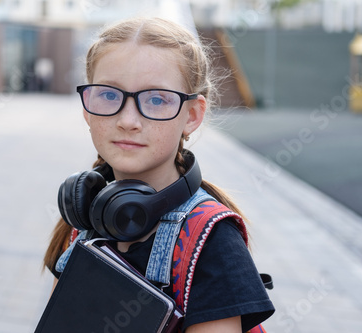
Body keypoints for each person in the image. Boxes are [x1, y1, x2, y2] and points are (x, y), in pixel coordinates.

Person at [43, 17, 274, 332]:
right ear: (87, 107)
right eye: (109, 95)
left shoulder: (214, 243)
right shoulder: (84, 220)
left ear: (191, 116)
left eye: (156, 100)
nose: (127, 120)